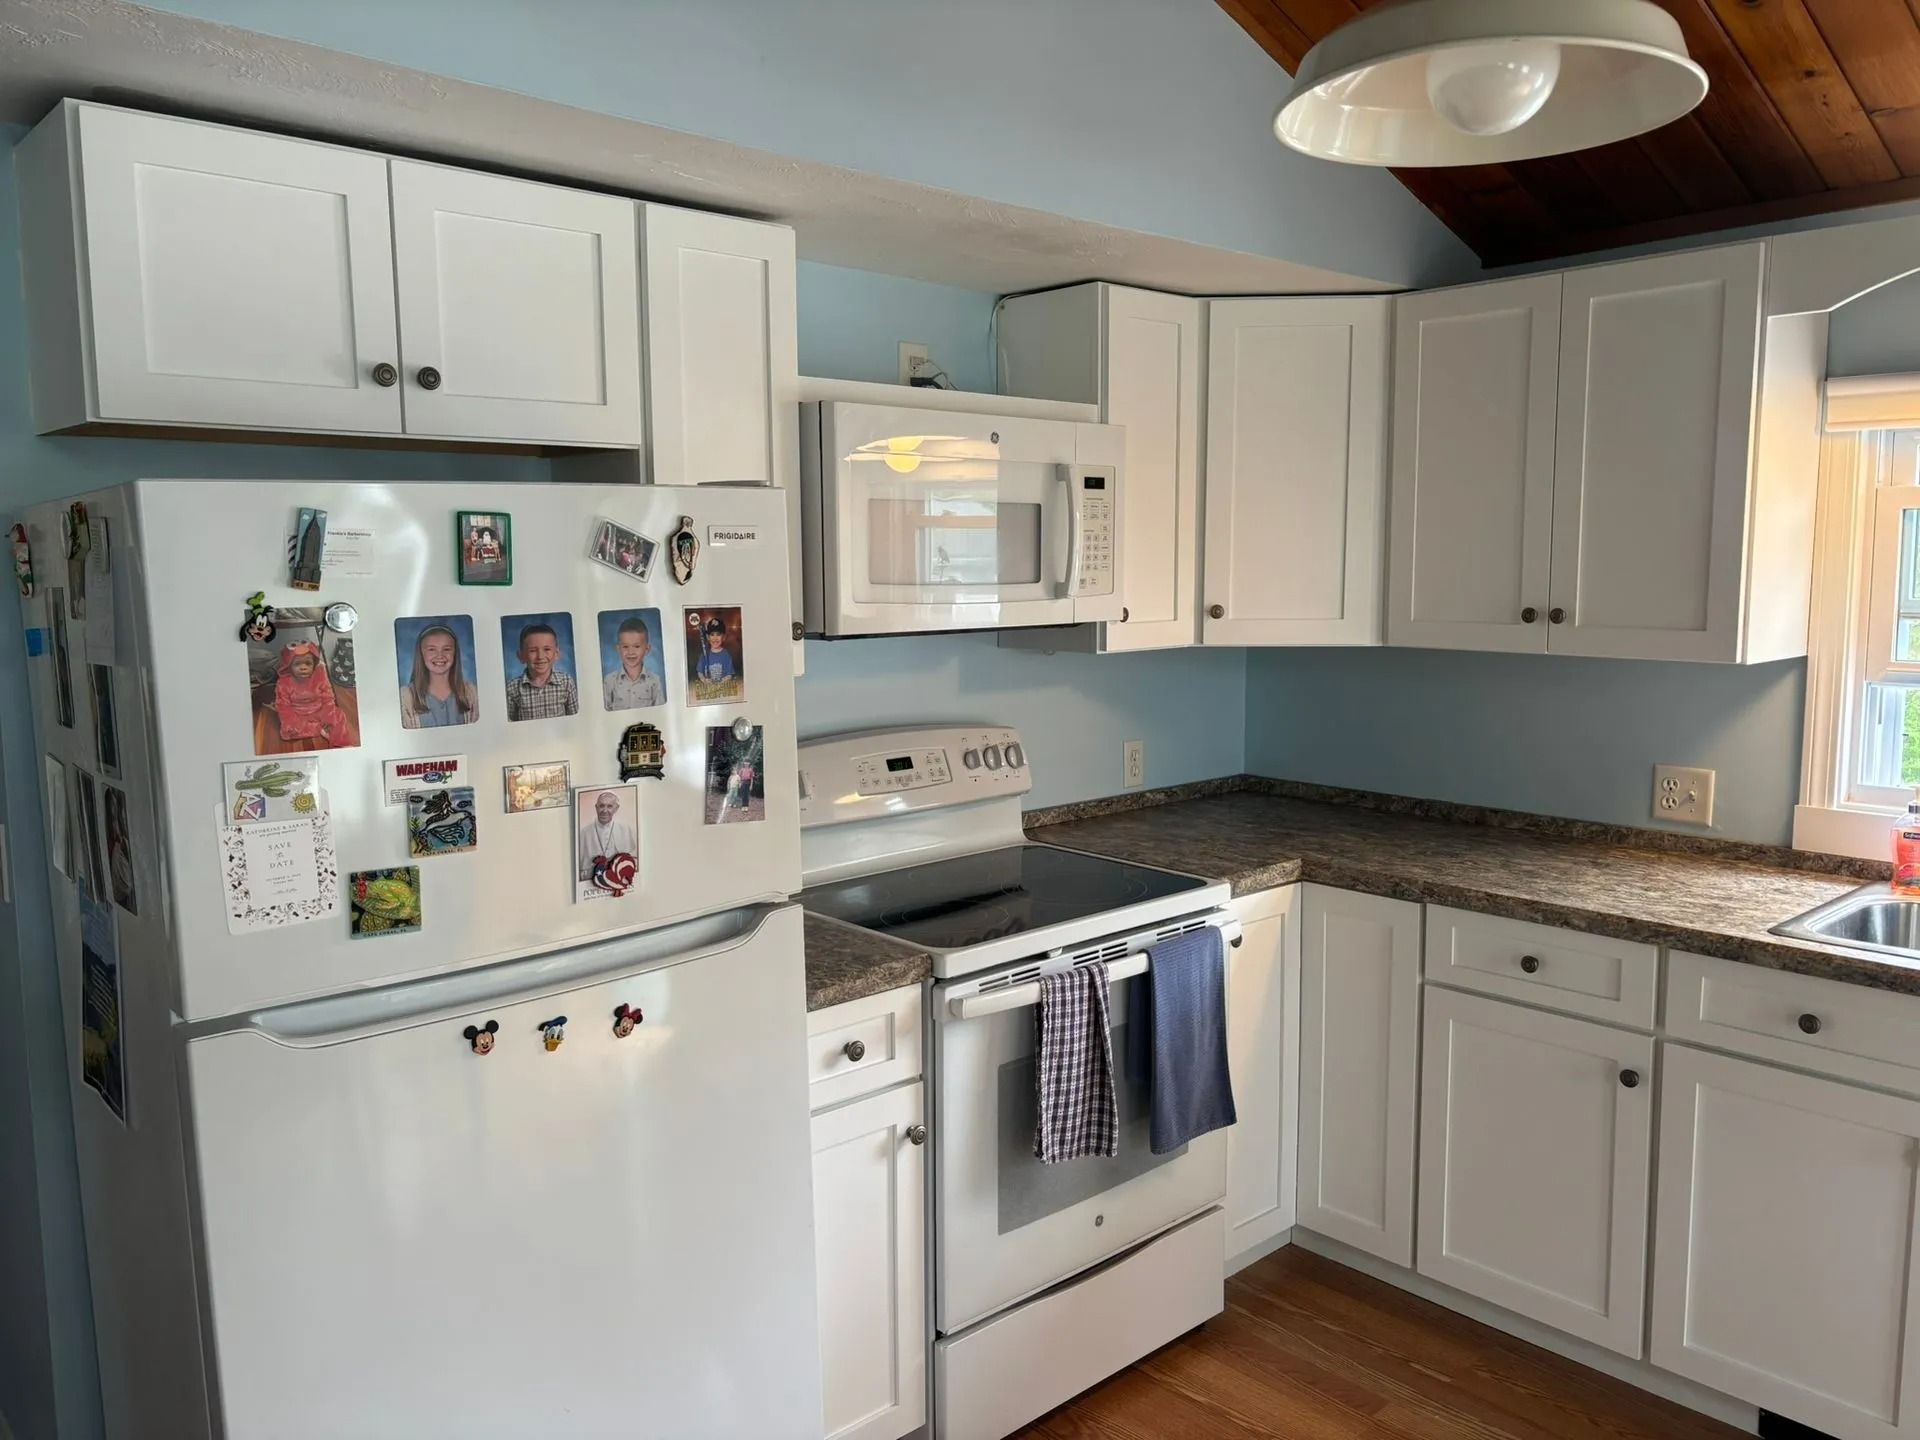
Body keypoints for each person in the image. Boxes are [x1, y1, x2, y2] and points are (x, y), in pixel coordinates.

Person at [399, 622, 479, 728]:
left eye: (447, 649)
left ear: (455, 653)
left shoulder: (471, 692)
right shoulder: (406, 697)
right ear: (421, 654)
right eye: (431, 649)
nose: (440, 655)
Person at [270, 641, 346, 744]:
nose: (303, 667)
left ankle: (339, 742)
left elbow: (328, 697)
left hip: (319, 710)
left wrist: (328, 715)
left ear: (314, 664)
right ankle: (319, 729)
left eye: (308, 663)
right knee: (287, 732)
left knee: (339, 715)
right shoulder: (284, 682)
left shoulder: (320, 675)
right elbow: (283, 706)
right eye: (297, 664)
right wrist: (291, 722)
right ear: (289, 666)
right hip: (298, 714)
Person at [505, 621, 577, 721]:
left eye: (547, 649)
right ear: (521, 656)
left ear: (556, 653)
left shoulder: (567, 682)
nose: (540, 656)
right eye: (532, 651)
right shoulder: (512, 688)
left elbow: (576, 719)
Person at [603, 616, 665, 710]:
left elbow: (661, 713)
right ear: (618, 649)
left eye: (636, 646)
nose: (630, 652)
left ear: (647, 649)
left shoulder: (654, 681)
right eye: (625, 646)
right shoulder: (609, 681)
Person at [577, 789, 637, 881]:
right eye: (601, 806)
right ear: (596, 807)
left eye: (609, 806)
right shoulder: (584, 833)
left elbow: (633, 862)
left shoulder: (625, 830)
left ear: (616, 808)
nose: (604, 810)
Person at [695, 616, 736, 688]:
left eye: (718, 634)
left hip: (722, 689)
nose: (715, 638)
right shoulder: (704, 655)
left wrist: (720, 684)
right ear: (708, 637)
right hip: (709, 690)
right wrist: (704, 680)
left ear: (723, 637)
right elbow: (700, 672)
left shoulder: (726, 655)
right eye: (712, 634)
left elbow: (729, 675)